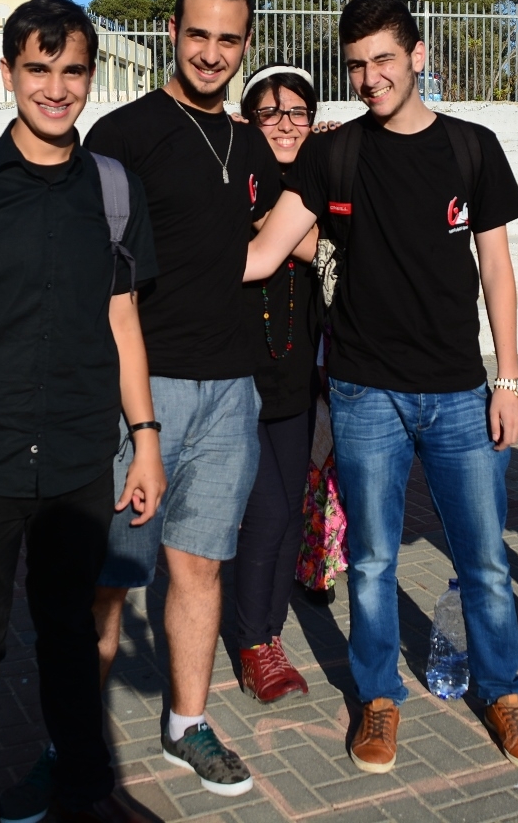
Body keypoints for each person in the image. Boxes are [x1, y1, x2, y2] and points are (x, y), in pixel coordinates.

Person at [245, 0, 518, 775]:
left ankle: (503, 692)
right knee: (373, 563)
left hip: (458, 392)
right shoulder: (335, 155)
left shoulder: (473, 148)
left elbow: (496, 269)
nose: (370, 77)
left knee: (485, 560)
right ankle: (378, 698)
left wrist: (509, 379)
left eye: (383, 59)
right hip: (363, 392)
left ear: (418, 56)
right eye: (356, 65)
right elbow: (264, 250)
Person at [0, 0, 163, 823]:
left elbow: (124, 322)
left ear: (92, 75)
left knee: (69, 636)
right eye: (38, 69)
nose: (55, 87)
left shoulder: (115, 189)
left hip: (78, 460)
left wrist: (145, 440)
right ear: (8, 72)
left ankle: (85, 790)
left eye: (71, 70)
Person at [85, 0, 283, 798]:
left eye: (227, 39)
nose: (210, 52)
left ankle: (186, 724)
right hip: (145, 393)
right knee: (111, 579)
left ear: (246, 43)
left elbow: (272, 230)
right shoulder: (122, 137)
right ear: (172, 32)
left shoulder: (248, 142)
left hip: (231, 391)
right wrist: (132, 418)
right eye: (197, 34)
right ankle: (73, 739)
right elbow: (93, 281)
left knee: (198, 566)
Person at [234, 63, 325, 703]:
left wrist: (281, 222)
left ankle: (269, 634)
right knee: (265, 513)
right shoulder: (231, 179)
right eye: (270, 113)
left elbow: (322, 246)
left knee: (290, 510)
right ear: (249, 121)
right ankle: (252, 643)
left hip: (297, 376)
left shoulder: (320, 180)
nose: (285, 124)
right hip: (237, 376)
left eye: (297, 112)